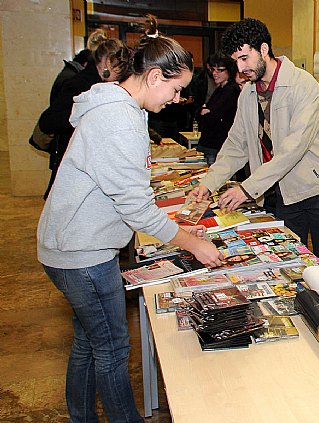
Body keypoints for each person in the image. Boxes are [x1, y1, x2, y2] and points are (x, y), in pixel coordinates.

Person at [37, 15, 223, 423]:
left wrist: (177, 231)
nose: (176, 99)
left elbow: (128, 190)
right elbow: (136, 208)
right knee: (113, 348)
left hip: (73, 243)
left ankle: (82, 417)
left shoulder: (123, 108)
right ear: (154, 76)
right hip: (82, 252)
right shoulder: (118, 118)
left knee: (89, 342)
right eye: (175, 89)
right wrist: (193, 243)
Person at [190, 18, 319, 278]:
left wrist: (247, 188)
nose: (240, 69)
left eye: (244, 59)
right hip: (283, 192)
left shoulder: (303, 85)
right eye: (235, 62)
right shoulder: (248, 93)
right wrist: (208, 183)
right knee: (292, 267)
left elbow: (293, 150)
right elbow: (235, 146)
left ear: (263, 49)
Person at [39, 37, 124, 200]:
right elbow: (47, 121)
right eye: (118, 67)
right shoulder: (80, 83)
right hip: (74, 162)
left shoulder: (100, 83)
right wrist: (85, 115)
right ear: (106, 62)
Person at [195, 53, 241, 164]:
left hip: (217, 145)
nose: (215, 73)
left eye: (220, 70)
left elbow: (211, 118)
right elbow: (198, 114)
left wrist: (206, 112)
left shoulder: (230, 91)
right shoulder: (220, 88)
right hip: (210, 143)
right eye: (213, 69)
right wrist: (202, 112)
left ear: (229, 71)